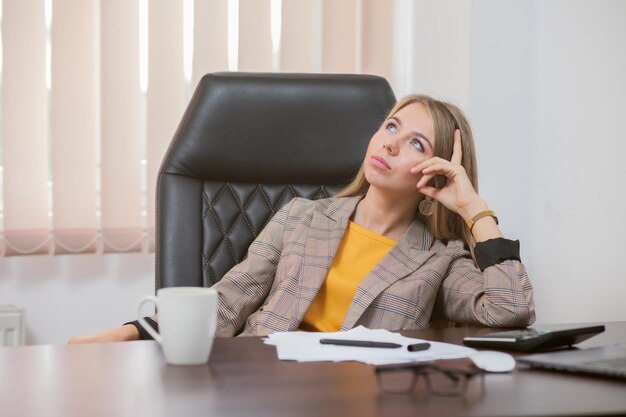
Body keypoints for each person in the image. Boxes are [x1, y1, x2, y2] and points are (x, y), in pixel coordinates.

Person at [69, 94, 535, 344]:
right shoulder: (301, 217)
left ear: (435, 173)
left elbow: (509, 310)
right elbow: (229, 300)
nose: (391, 143)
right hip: (265, 388)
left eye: (417, 143)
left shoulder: (439, 259)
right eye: (391, 126)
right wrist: (124, 333)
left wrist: (473, 208)